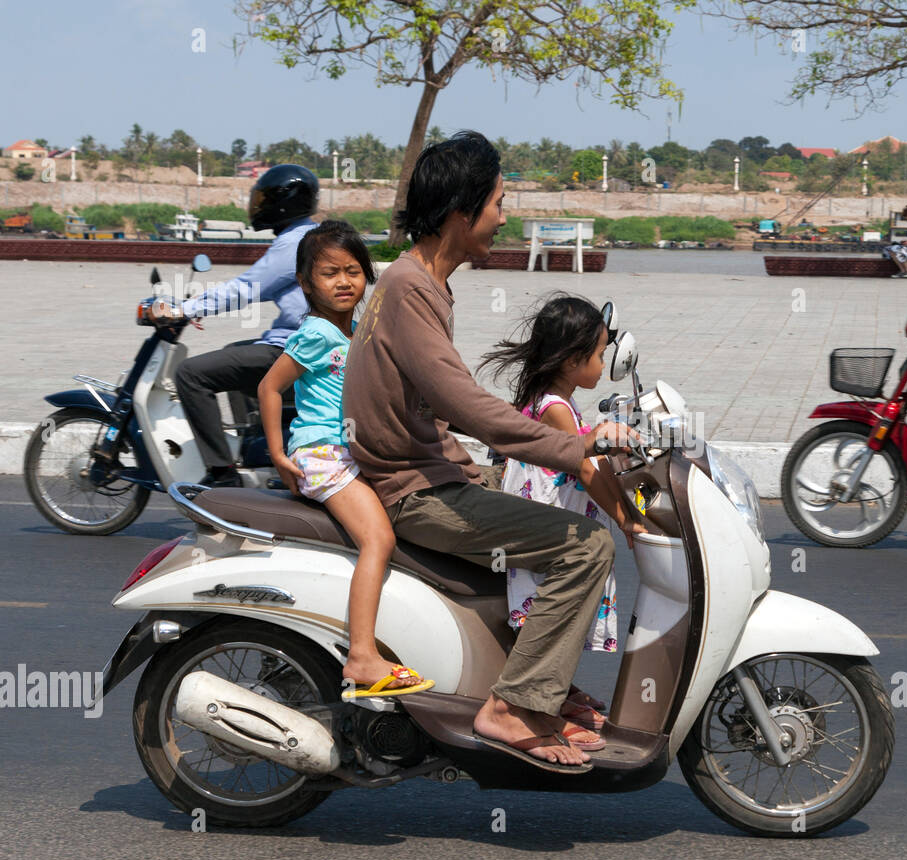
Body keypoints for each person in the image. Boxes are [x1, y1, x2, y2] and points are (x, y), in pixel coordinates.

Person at [342, 131, 637, 773]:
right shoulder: (411, 288)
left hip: (434, 475)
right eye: (498, 203)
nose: (505, 218)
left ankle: (538, 692)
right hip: (414, 493)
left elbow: (423, 410)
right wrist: (576, 445)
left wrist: (481, 468)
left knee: (540, 525)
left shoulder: (420, 284)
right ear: (460, 211)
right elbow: (467, 404)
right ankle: (512, 707)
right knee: (585, 545)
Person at [257, 220, 431, 698]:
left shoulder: (355, 329)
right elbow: (270, 386)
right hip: (322, 453)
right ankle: (362, 655)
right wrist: (277, 453)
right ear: (306, 283)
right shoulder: (315, 333)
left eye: (352, 271)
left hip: (353, 450)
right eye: (329, 273)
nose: (343, 282)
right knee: (379, 538)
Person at [478, 294, 649, 748]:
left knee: (557, 612)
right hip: (552, 527)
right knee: (558, 615)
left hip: (553, 518)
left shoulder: (553, 399)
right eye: (597, 355)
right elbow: (586, 468)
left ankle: (557, 694)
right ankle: (541, 706)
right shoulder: (555, 406)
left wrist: (630, 503)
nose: (601, 363)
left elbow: (594, 463)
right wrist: (626, 519)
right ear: (573, 360)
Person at [151, 164, 320, 488]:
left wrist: (183, 309)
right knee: (234, 353)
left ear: (284, 202)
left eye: (265, 199)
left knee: (191, 374)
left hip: (294, 347)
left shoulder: (292, 244)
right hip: (304, 342)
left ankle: (222, 473)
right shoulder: (310, 234)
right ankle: (255, 443)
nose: (259, 206)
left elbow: (245, 289)